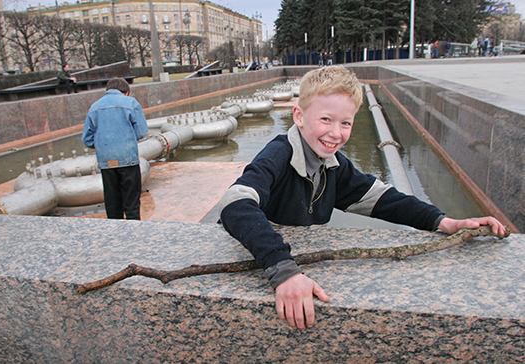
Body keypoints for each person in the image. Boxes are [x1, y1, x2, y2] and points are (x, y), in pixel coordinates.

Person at [218, 66, 506, 330]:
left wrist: (443, 222)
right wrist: (283, 270)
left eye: (346, 123)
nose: (336, 133)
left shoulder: (333, 166)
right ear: (299, 116)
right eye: (326, 119)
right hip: (249, 253)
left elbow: (383, 199)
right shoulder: (279, 154)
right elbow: (234, 204)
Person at [81, 78, 148, 220]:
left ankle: (115, 234)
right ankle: (134, 233)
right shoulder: (131, 103)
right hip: (128, 159)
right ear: (126, 92)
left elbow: (87, 139)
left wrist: (102, 144)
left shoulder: (94, 107)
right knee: (132, 202)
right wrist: (126, 140)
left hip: (106, 162)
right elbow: (141, 131)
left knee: (112, 202)